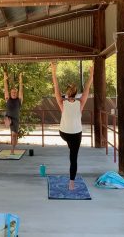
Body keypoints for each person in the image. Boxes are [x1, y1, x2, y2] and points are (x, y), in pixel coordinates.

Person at [50, 61, 94, 190]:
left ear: (68, 94)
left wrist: (53, 71)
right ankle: (71, 183)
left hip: (63, 133)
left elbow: (56, 87)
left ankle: (71, 147)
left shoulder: (62, 103)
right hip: (75, 134)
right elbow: (87, 89)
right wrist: (91, 75)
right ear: (75, 94)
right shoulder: (80, 103)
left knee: (71, 148)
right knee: (73, 157)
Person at [4, 71, 23, 154]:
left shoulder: (19, 100)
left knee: (14, 135)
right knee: (13, 133)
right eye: (12, 92)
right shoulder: (7, 98)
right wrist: (5, 79)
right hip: (8, 118)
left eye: (15, 92)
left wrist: (20, 80)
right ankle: (7, 122)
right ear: (11, 93)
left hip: (15, 119)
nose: (14, 93)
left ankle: (13, 147)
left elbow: (21, 90)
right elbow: (6, 89)